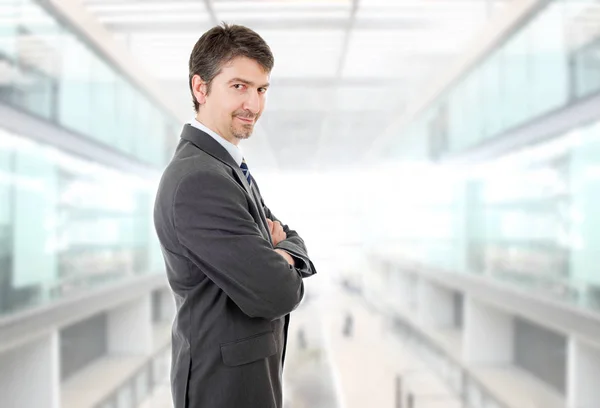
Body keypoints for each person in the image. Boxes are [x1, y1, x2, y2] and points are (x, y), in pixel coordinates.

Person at [153, 23, 317, 408]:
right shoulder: (199, 180)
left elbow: (288, 233)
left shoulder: (224, 167)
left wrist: (283, 252)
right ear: (200, 88)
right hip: (224, 391)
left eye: (261, 90)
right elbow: (278, 292)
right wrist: (278, 255)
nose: (254, 105)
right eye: (239, 87)